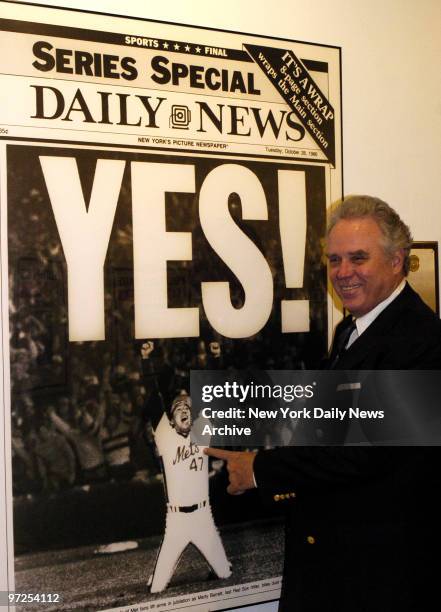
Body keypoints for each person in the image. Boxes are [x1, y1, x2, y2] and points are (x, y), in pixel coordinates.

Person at [206, 195, 441, 612]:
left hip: (378, 581)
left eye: (358, 258)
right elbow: (329, 428)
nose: (343, 273)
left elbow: (360, 453)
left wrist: (259, 469)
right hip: (339, 568)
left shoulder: (422, 341)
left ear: (397, 261)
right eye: (335, 260)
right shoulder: (351, 331)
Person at [141, 340, 231, 593]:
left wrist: (215, 358)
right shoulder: (165, 436)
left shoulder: (202, 431)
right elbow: (154, 394)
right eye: (178, 407)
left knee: (225, 576)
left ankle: (220, 566)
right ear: (169, 418)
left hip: (204, 515)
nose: (185, 409)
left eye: (189, 407)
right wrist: (147, 362)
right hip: (177, 519)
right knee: (157, 589)